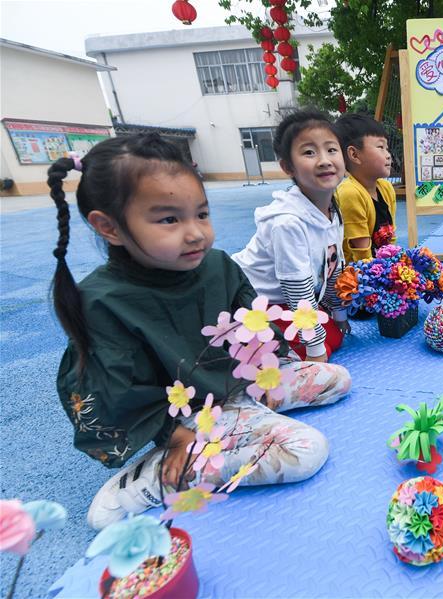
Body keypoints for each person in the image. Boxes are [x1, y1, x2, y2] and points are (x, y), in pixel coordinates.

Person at [50, 134, 351, 530]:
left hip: (234, 386)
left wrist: (272, 359)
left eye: (202, 214)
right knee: (307, 449)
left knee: (336, 379)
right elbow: (111, 393)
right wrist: (173, 435)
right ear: (110, 227)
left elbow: (251, 331)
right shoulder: (103, 300)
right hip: (184, 416)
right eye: (169, 219)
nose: (195, 233)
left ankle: (243, 416)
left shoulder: (216, 265)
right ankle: (162, 477)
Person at [233, 109, 350, 360]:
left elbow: (333, 269)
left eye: (331, 150)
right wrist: (315, 351)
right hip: (255, 304)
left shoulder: (332, 212)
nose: (324, 160)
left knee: (334, 336)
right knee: (321, 348)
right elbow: (298, 292)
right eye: (309, 152)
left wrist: (340, 317)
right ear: (288, 167)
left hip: (286, 302)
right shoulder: (287, 223)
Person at [333, 113, 396, 262]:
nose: (388, 155)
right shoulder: (350, 193)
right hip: (357, 275)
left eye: (387, 148)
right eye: (380, 147)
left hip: (381, 268)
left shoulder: (386, 188)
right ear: (354, 155)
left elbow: (391, 241)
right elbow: (362, 258)